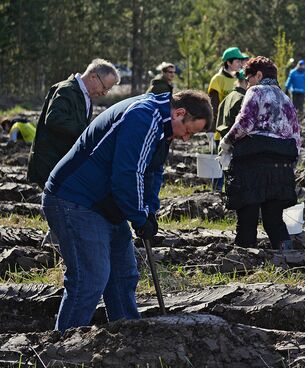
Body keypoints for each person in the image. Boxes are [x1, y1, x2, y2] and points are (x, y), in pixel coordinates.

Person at [42, 90, 212, 332]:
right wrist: (138, 216)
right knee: (91, 278)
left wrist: (150, 210)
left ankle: (129, 340)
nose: (186, 138)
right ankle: (61, 350)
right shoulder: (143, 117)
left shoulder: (163, 126)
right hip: (75, 200)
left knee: (123, 276)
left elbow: (153, 172)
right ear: (180, 113)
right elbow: (127, 175)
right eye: (188, 131)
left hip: (105, 204)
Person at [219, 56, 300, 250]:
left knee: (247, 216)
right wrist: (292, 164)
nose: (247, 84)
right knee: (274, 219)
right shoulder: (285, 97)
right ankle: (287, 257)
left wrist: (226, 141)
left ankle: (244, 261)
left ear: (259, 75)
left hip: (253, 164)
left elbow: (245, 123)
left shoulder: (256, 91)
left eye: (249, 79)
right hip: (280, 166)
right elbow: (296, 134)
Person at [27, 59, 119, 189]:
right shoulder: (66, 90)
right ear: (93, 77)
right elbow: (54, 118)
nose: (104, 93)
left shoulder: (85, 96)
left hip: (63, 161)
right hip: (50, 161)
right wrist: (88, 131)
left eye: (107, 90)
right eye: (104, 87)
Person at [213, 70, 248, 191]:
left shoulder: (227, 98)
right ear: (246, 82)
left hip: (224, 146)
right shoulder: (243, 99)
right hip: (236, 149)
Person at [207, 47, 248, 131]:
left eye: (241, 61)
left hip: (237, 128)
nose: (241, 64)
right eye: (237, 61)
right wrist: (212, 129)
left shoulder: (240, 78)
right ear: (229, 62)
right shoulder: (217, 79)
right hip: (221, 129)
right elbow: (213, 107)